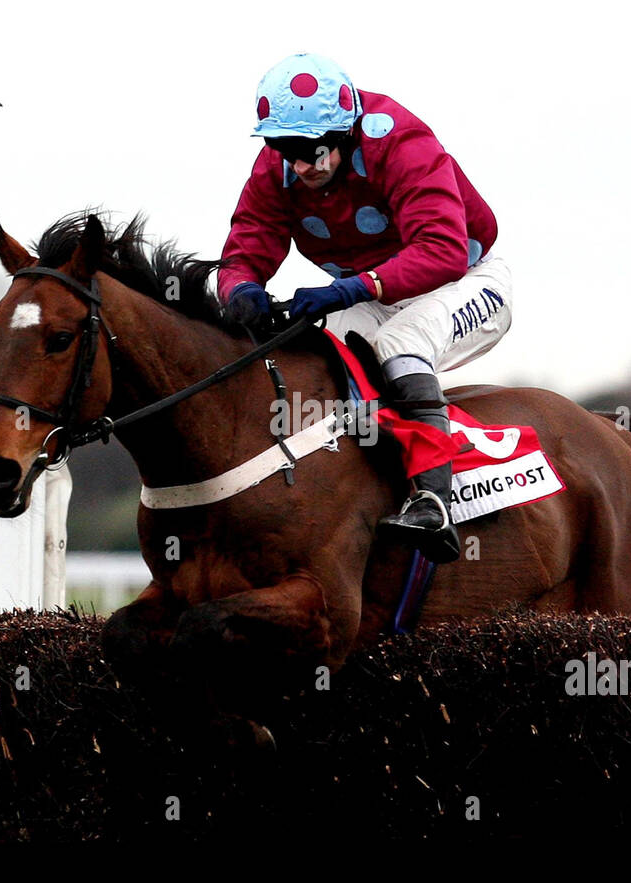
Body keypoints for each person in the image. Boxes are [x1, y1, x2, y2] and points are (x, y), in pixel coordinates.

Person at [219, 52, 512, 564]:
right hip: (379, 292)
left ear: (347, 131)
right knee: (306, 347)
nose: (302, 165)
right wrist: (241, 292)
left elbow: (442, 249)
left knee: (399, 344)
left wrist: (350, 288)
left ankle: (433, 501)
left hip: (466, 279)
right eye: (286, 149)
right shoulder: (279, 167)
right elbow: (243, 252)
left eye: (314, 149)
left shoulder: (399, 141)